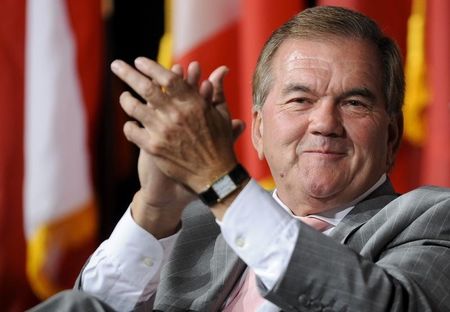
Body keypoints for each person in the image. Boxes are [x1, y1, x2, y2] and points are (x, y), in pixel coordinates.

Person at [30, 5, 450, 312]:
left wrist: (220, 182)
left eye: (354, 103)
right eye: (300, 99)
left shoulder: (433, 220)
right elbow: (91, 304)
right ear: (260, 130)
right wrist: (154, 209)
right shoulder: (194, 225)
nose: (325, 123)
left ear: (391, 135)